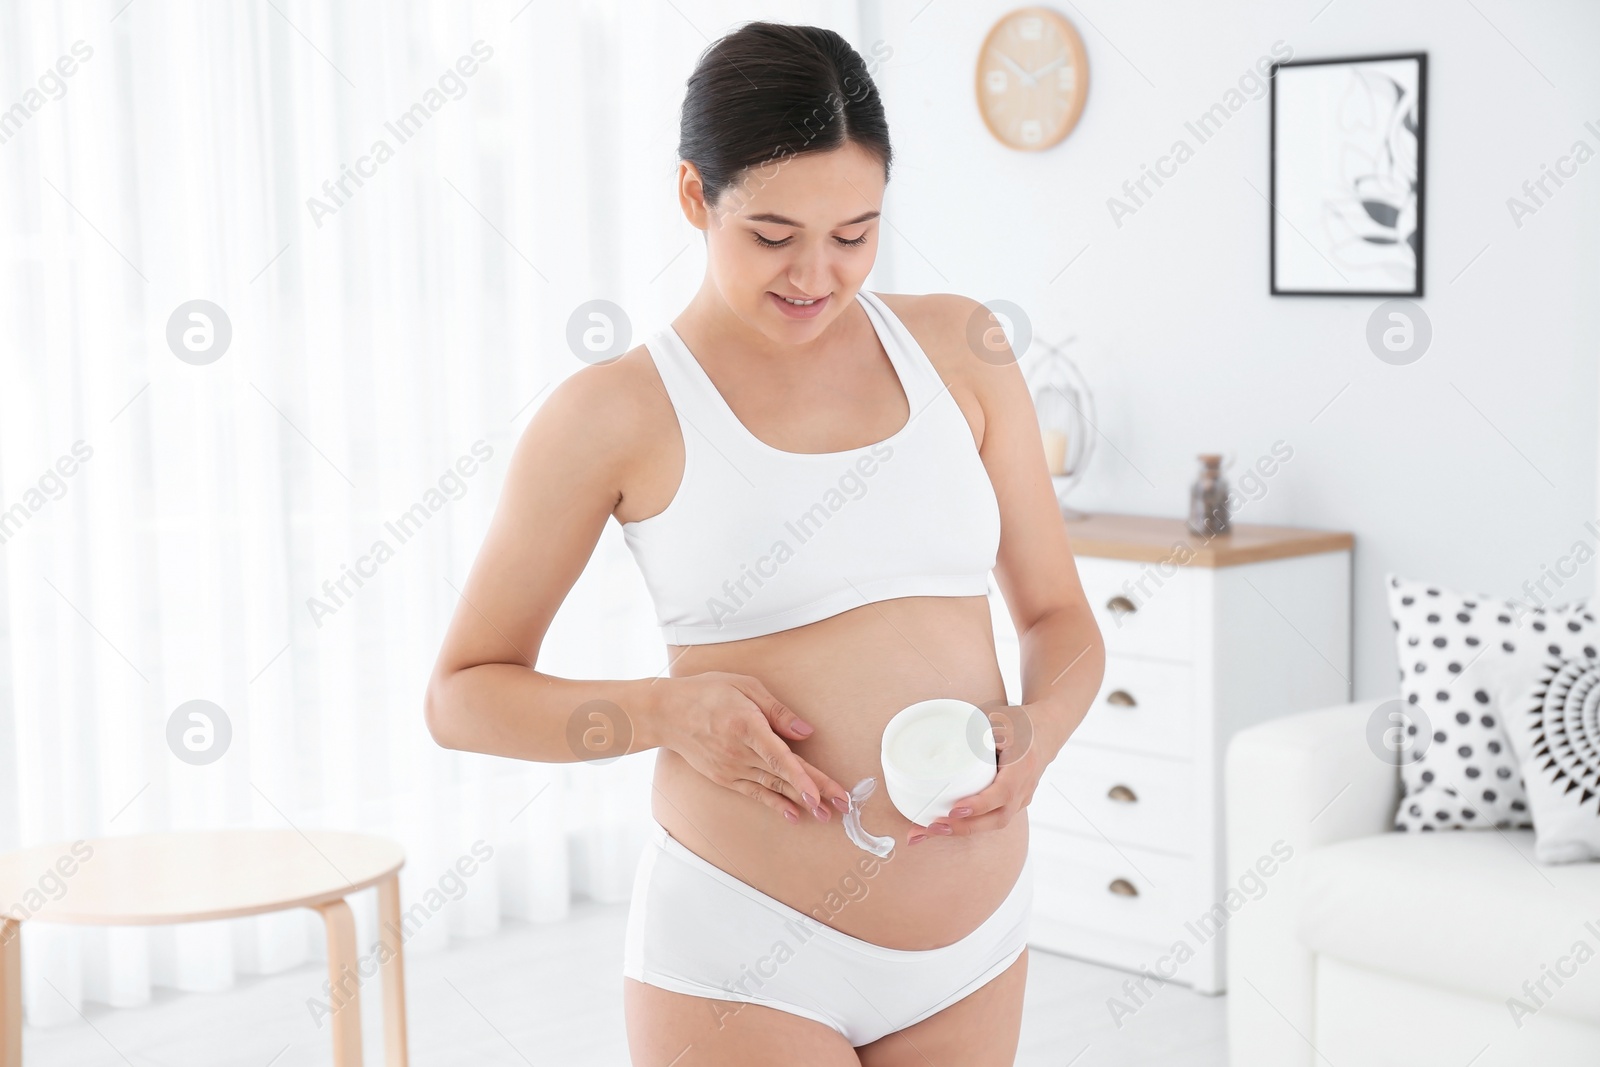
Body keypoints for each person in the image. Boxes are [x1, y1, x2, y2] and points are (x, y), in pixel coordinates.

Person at [425, 20, 1104, 1066]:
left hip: (975, 940)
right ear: (695, 197)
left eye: (854, 233)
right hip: (747, 952)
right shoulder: (614, 414)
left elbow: (1059, 616)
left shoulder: (962, 347)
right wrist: (664, 712)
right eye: (771, 233)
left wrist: (1041, 732)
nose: (815, 275)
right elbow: (462, 695)